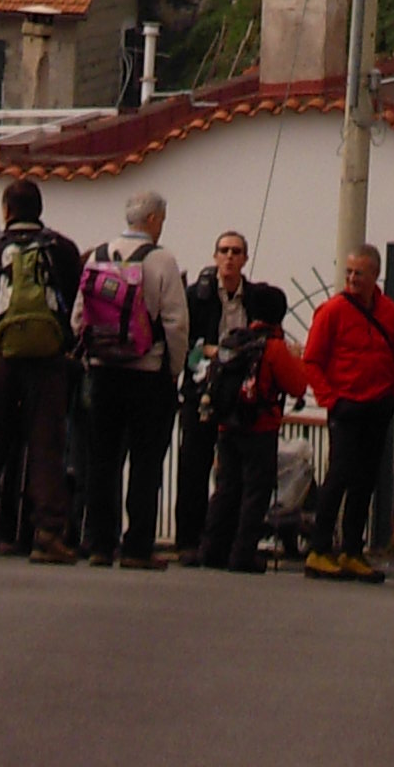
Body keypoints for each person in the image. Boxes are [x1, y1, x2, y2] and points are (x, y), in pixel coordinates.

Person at [0, 179, 82, 563]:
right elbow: (72, 299)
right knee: (47, 445)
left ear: (6, 210)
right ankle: (47, 534)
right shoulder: (63, 249)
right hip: (47, 357)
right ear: (39, 209)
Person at [73, 188, 189, 567]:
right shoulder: (162, 260)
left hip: (103, 371)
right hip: (147, 373)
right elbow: (175, 322)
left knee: (102, 460)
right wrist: (173, 369)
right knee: (146, 462)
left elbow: (79, 317)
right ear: (152, 220)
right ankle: (137, 546)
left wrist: (93, 353)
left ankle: (100, 544)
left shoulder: (98, 255)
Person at [302, 243, 394, 581]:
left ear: (375, 274)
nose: (351, 279)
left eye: (358, 273)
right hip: (346, 405)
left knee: (366, 479)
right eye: (348, 272)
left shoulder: (389, 311)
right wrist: (330, 400)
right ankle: (319, 549)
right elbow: (311, 360)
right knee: (339, 475)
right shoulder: (332, 311)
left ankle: (352, 549)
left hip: (379, 404)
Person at [199, 280, 314, 575]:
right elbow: (297, 386)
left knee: (226, 488)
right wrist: (298, 359)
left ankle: (212, 549)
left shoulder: (232, 342)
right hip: (260, 428)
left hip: (227, 427)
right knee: (255, 492)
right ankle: (242, 554)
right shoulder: (274, 347)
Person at [175, 227, 250, 563]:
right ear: (215, 256)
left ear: (245, 258)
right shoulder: (198, 295)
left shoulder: (253, 297)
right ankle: (187, 541)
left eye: (236, 251)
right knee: (193, 465)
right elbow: (186, 342)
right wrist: (213, 351)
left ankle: (223, 541)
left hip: (239, 392)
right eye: (224, 251)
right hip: (201, 389)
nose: (229, 257)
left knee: (234, 470)